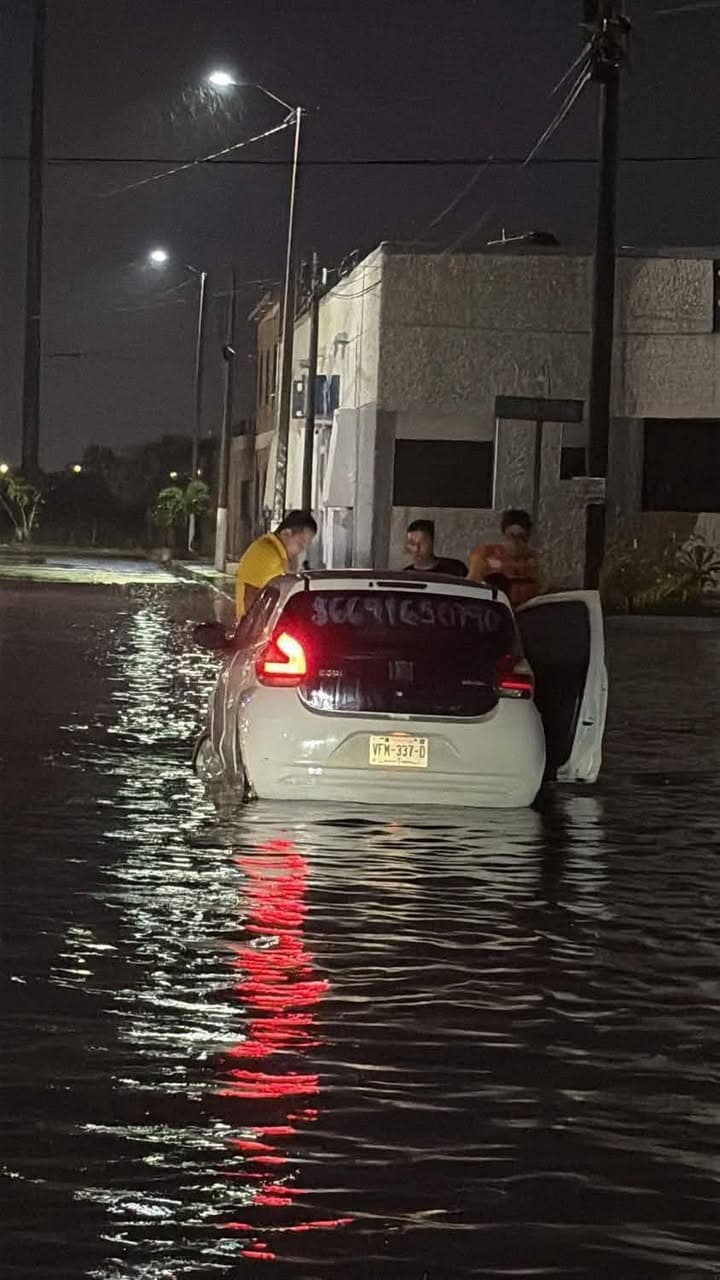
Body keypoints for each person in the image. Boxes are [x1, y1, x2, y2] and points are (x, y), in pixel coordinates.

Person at [235, 509, 318, 619]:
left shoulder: (276, 553)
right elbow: (251, 597)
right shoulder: (267, 553)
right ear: (286, 533)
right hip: (256, 630)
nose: (302, 549)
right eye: (300, 542)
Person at [467, 509, 541, 608]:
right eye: (511, 536)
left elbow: (542, 587)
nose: (516, 542)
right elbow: (472, 583)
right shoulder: (486, 554)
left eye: (522, 537)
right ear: (503, 535)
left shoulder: (531, 559)